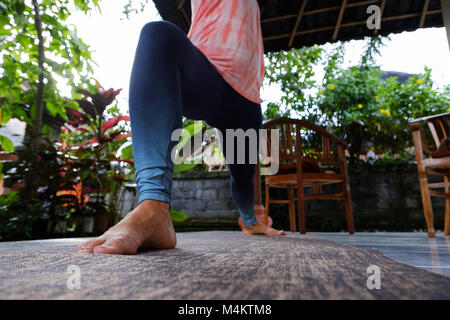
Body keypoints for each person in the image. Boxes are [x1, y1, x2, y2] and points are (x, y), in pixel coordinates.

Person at [75, 0, 285, 255]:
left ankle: (251, 222)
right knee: (157, 33)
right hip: (206, 76)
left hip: (247, 100)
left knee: (243, 177)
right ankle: (153, 207)